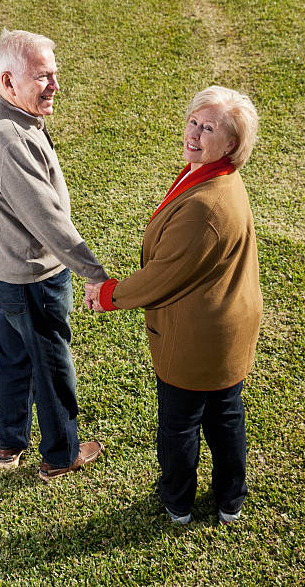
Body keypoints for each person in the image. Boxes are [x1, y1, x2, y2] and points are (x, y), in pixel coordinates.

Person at [85, 86, 263, 524]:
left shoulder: (206, 206)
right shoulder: (213, 175)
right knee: (226, 414)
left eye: (210, 128)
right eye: (194, 122)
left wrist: (108, 295)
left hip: (197, 337)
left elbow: (164, 275)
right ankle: (230, 500)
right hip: (227, 327)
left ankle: (178, 503)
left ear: (232, 144)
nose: (196, 134)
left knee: (180, 424)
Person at [0, 28, 106, 481]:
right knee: (50, 364)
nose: (55, 85)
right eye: (42, 77)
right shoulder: (12, 139)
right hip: (29, 277)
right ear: (8, 82)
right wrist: (93, 272)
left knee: (13, 353)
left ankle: (10, 442)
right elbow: (48, 220)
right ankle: (61, 453)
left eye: (55, 74)